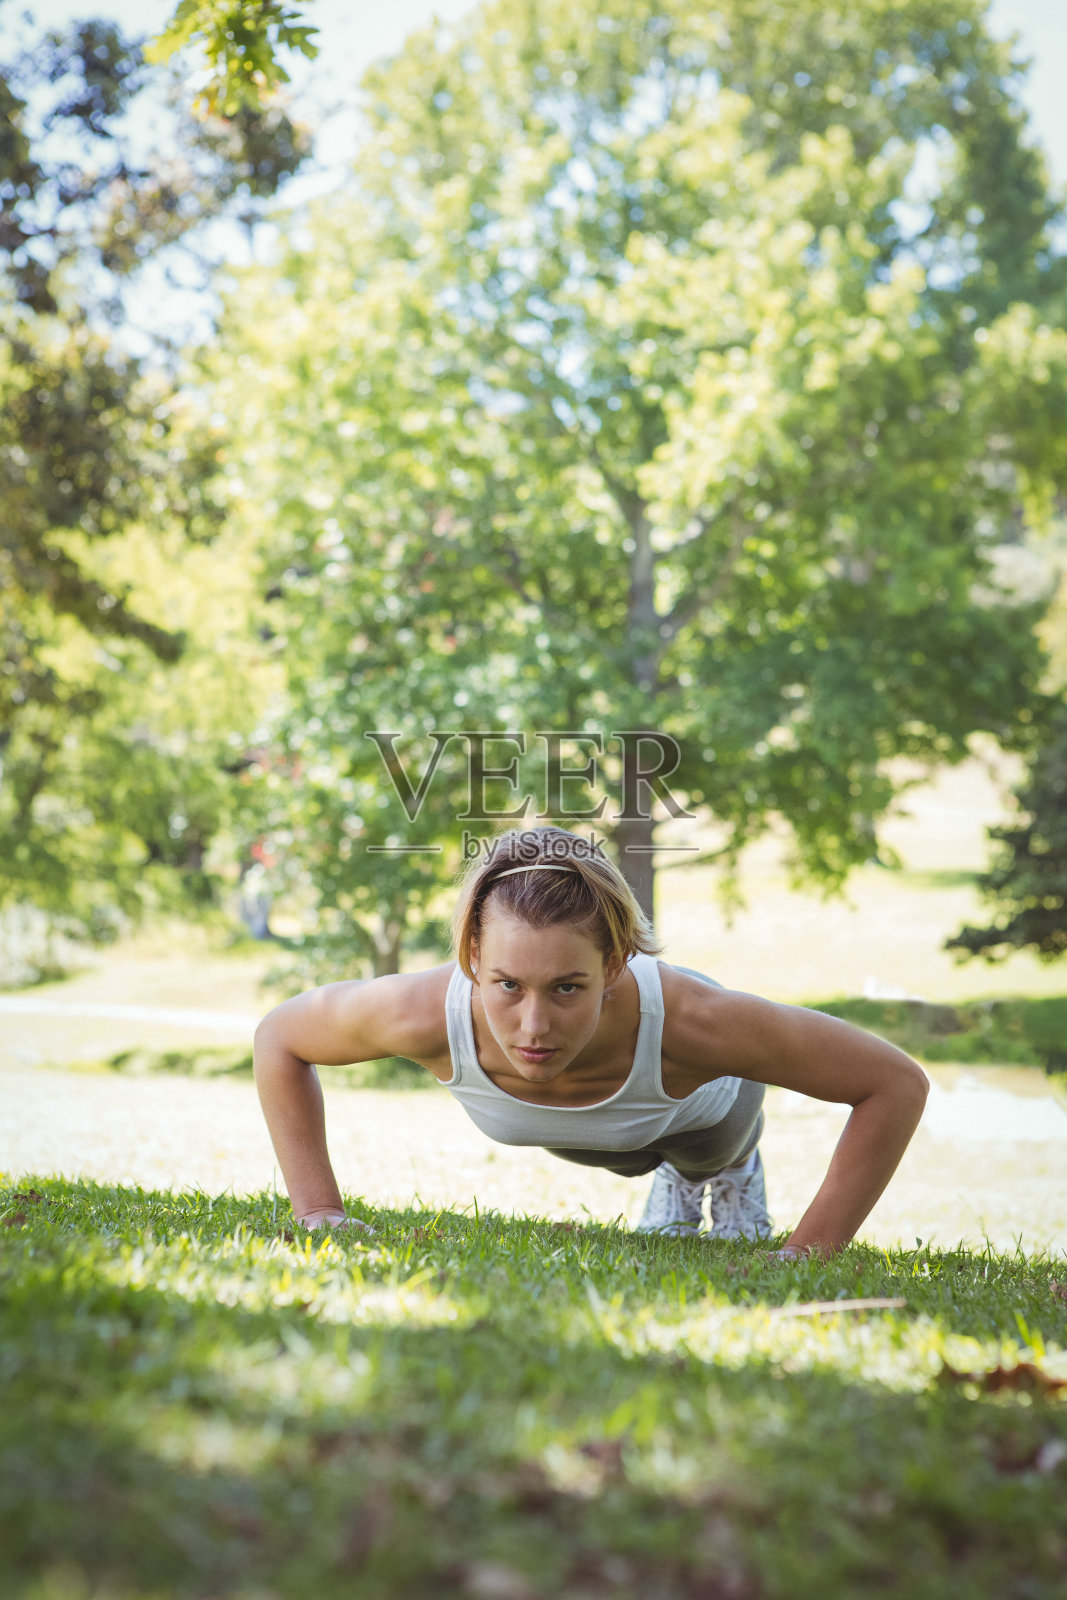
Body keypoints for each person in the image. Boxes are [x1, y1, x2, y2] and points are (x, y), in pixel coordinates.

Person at [252, 826, 929, 1255]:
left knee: (701, 1151)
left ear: (613, 966)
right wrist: (318, 1214)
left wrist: (807, 1254)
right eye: (507, 985)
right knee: (625, 1158)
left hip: (699, 1111)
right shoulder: (421, 1012)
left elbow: (893, 1083)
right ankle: (659, 1173)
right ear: (470, 961)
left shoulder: (697, 1020)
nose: (534, 1026)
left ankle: (722, 1175)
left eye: (567, 988)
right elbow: (280, 1036)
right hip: (585, 1135)